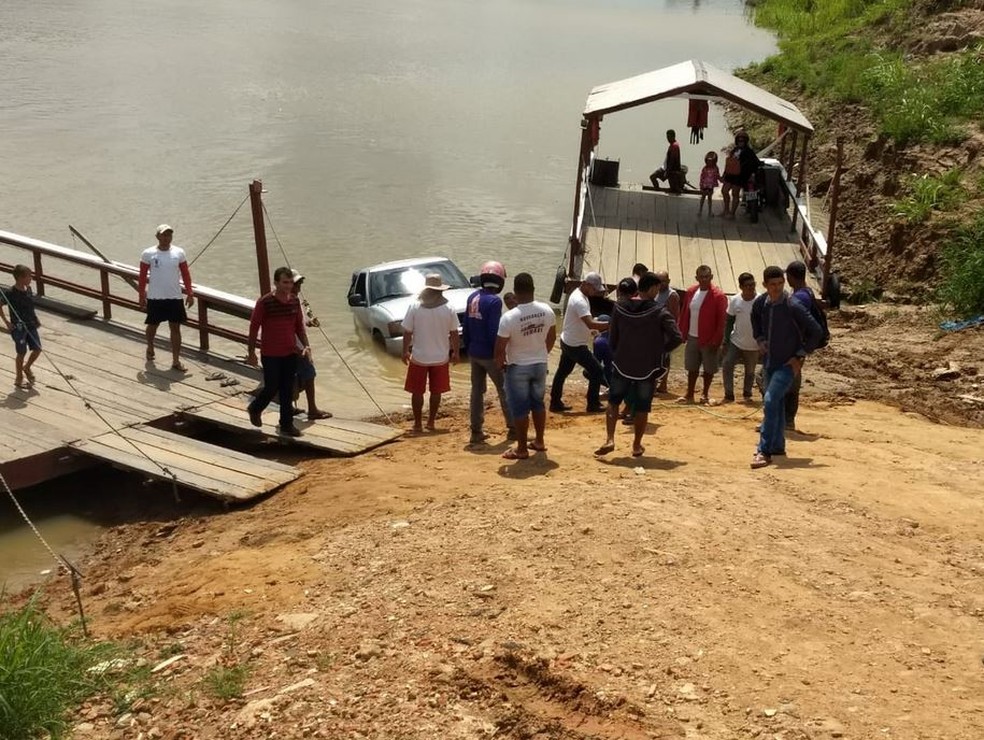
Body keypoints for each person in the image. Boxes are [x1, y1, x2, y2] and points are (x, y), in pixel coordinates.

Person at [595, 272, 683, 458]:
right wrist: (661, 351)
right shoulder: (659, 311)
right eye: (657, 288)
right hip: (647, 368)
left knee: (613, 401)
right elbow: (677, 337)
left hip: (622, 364)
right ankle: (636, 445)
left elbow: (612, 338)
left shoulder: (620, 307)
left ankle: (610, 439)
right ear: (652, 288)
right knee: (643, 407)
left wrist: (617, 354)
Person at [750, 265, 823, 469]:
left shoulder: (793, 305)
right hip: (769, 362)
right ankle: (778, 447)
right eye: (772, 284)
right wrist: (760, 338)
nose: (777, 288)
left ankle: (763, 450)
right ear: (765, 285)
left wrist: (800, 355)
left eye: (780, 283)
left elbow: (816, 331)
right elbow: (755, 319)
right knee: (778, 403)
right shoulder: (760, 303)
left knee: (770, 400)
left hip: (787, 364)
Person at [495, 273, 556, 460]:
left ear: (514, 293)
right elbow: (552, 337)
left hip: (518, 366)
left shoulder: (509, 318)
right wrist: (541, 354)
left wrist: (501, 365)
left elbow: (500, 347)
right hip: (539, 364)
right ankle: (539, 441)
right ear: (533, 290)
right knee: (538, 404)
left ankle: (521, 448)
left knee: (519, 408)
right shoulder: (547, 311)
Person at [247, 267, 311, 437]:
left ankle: (286, 424)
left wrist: (306, 346)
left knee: (287, 389)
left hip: (290, 352)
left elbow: (299, 327)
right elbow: (254, 327)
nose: (288, 286)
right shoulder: (265, 302)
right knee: (271, 386)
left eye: (290, 282)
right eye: (284, 282)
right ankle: (255, 408)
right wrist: (251, 352)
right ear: (276, 283)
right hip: (270, 353)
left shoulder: (295, 302)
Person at [462, 260, 514, 445]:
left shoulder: (472, 297)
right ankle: (513, 428)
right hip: (489, 355)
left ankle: (476, 431)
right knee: (504, 389)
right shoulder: (494, 301)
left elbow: (466, 327)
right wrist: (501, 356)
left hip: (474, 353)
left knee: (477, 391)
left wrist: (469, 348)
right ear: (499, 282)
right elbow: (495, 332)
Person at [401, 273, 460, 433]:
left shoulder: (414, 306)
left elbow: (407, 332)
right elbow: (454, 332)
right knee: (436, 392)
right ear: (440, 290)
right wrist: (456, 352)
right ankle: (431, 422)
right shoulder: (449, 308)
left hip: (419, 357)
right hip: (440, 357)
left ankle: (418, 424)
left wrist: (405, 350)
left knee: (417, 391)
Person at [549, 272, 609, 413]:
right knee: (596, 370)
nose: (595, 292)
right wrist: (612, 324)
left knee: (563, 372)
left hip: (568, 340)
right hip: (575, 345)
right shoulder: (579, 300)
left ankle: (555, 402)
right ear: (586, 284)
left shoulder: (580, 295)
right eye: (594, 288)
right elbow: (590, 323)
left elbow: (583, 321)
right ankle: (592, 403)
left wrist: (592, 331)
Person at [139, 224, 194, 371]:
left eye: (169, 235)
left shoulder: (179, 252)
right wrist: (141, 294)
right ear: (157, 236)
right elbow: (142, 277)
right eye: (163, 235)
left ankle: (176, 361)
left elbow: (186, 273)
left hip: (174, 297)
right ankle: (150, 347)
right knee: (152, 326)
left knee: (175, 328)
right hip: (155, 297)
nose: (166, 238)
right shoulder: (148, 254)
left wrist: (190, 293)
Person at [677, 265, 727, 404]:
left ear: (711, 277)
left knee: (709, 368)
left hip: (709, 338)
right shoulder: (691, 292)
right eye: (701, 277)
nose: (704, 279)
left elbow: (722, 320)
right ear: (697, 278)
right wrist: (682, 332)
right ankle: (689, 393)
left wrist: (717, 339)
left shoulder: (719, 296)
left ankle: (705, 393)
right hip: (693, 336)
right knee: (691, 366)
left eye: (707, 276)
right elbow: (684, 314)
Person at [289, 271, 332, 420]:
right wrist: (307, 349)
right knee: (309, 374)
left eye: (299, 284)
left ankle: (289, 407)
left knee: (291, 376)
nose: (299, 287)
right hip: (295, 346)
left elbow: (298, 324)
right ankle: (312, 409)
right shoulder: (290, 301)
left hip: (290, 345)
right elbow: (297, 330)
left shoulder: (291, 300)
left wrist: (308, 323)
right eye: (296, 284)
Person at [784, 260, 817, 430]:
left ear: (790, 276)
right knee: (791, 382)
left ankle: (783, 419)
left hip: (793, 346)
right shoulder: (806, 293)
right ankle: (787, 420)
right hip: (797, 346)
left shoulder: (799, 298)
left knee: (773, 380)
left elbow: (803, 324)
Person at [0, 265, 43, 389]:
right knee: (21, 352)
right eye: (29, 276)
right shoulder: (10, 293)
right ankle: (19, 377)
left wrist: (36, 318)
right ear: (20, 278)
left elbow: (30, 306)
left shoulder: (28, 289)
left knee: (37, 349)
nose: (31, 279)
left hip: (31, 324)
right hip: (19, 327)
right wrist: (7, 322)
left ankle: (27, 367)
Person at [721, 272, 760, 402]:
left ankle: (747, 394)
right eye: (747, 285)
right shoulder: (735, 300)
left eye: (752, 284)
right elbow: (729, 321)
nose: (750, 287)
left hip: (754, 343)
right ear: (741, 286)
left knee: (750, 371)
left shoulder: (760, 301)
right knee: (727, 364)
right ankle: (729, 394)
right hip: (736, 341)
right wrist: (725, 340)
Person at [720, 131, 761, 219]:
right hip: (730, 174)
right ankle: (726, 210)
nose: (740, 142)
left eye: (742, 141)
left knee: (735, 193)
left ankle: (732, 213)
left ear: (746, 141)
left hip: (740, 175)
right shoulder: (734, 150)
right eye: (739, 140)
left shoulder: (749, 152)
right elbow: (729, 163)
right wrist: (724, 174)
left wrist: (752, 174)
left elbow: (755, 163)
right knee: (724, 191)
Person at [652, 270, 680, 394]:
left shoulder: (672, 295)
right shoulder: (655, 293)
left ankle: (663, 384)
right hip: (654, 332)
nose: (661, 283)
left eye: (663, 281)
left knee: (664, 358)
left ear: (668, 281)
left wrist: (669, 333)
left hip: (665, 332)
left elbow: (673, 316)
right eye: (658, 281)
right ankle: (654, 383)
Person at [698, 151, 721, 217]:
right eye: (708, 161)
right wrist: (701, 184)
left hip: (711, 186)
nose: (709, 163)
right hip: (705, 185)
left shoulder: (715, 168)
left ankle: (709, 211)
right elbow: (702, 177)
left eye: (711, 161)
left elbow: (717, 176)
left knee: (709, 198)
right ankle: (700, 210)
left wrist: (721, 179)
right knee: (703, 197)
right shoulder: (705, 168)